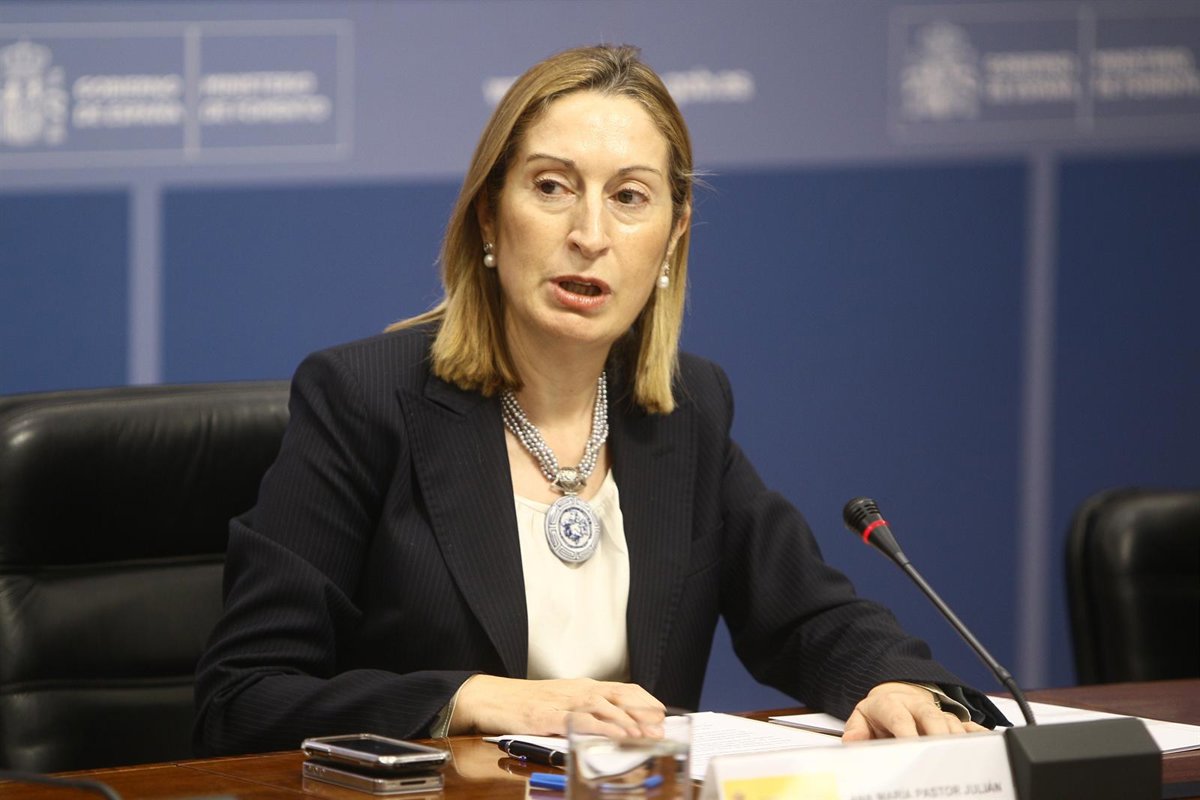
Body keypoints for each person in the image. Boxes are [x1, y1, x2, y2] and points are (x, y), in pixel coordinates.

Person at [193, 44, 1005, 756]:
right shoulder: (364, 401)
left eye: (629, 197)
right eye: (552, 187)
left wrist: (894, 685)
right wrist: (473, 699)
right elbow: (243, 698)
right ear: (489, 213)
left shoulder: (684, 411)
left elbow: (809, 617)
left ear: (673, 234)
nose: (590, 233)